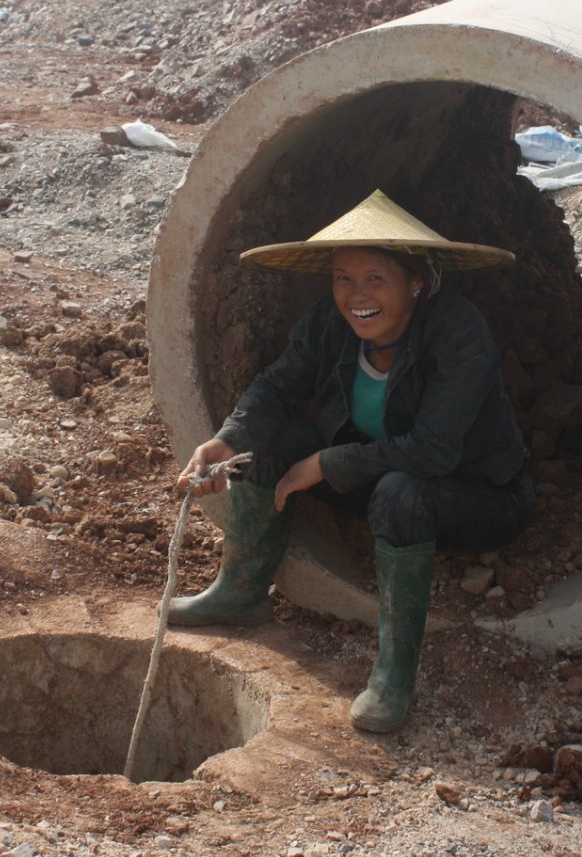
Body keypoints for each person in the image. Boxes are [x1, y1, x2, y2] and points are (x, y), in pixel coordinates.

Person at [171, 189, 534, 733]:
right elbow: (277, 384)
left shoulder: (457, 331)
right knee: (266, 441)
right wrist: (225, 439)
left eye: (375, 278)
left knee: (401, 491)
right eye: (343, 277)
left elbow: (435, 451)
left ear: (417, 281)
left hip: (475, 495)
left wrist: (324, 462)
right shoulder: (331, 322)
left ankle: (393, 675)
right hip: (375, 478)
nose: (356, 295)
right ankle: (240, 593)